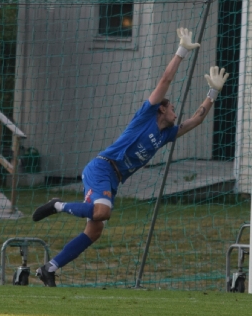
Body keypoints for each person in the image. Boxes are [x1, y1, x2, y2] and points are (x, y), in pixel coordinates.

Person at [32, 28, 229, 285]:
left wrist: (213, 92)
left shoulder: (166, 134)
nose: (175, 113)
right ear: (161, 109)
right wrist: (181, 50)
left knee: (95, 230)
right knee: (103, 212)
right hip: (102, 167)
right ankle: (57, 205)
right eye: (172, 108)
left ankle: (49, 268)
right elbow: (166, 79)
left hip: (113, 179)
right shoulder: (146, 116)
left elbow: (196, 120)